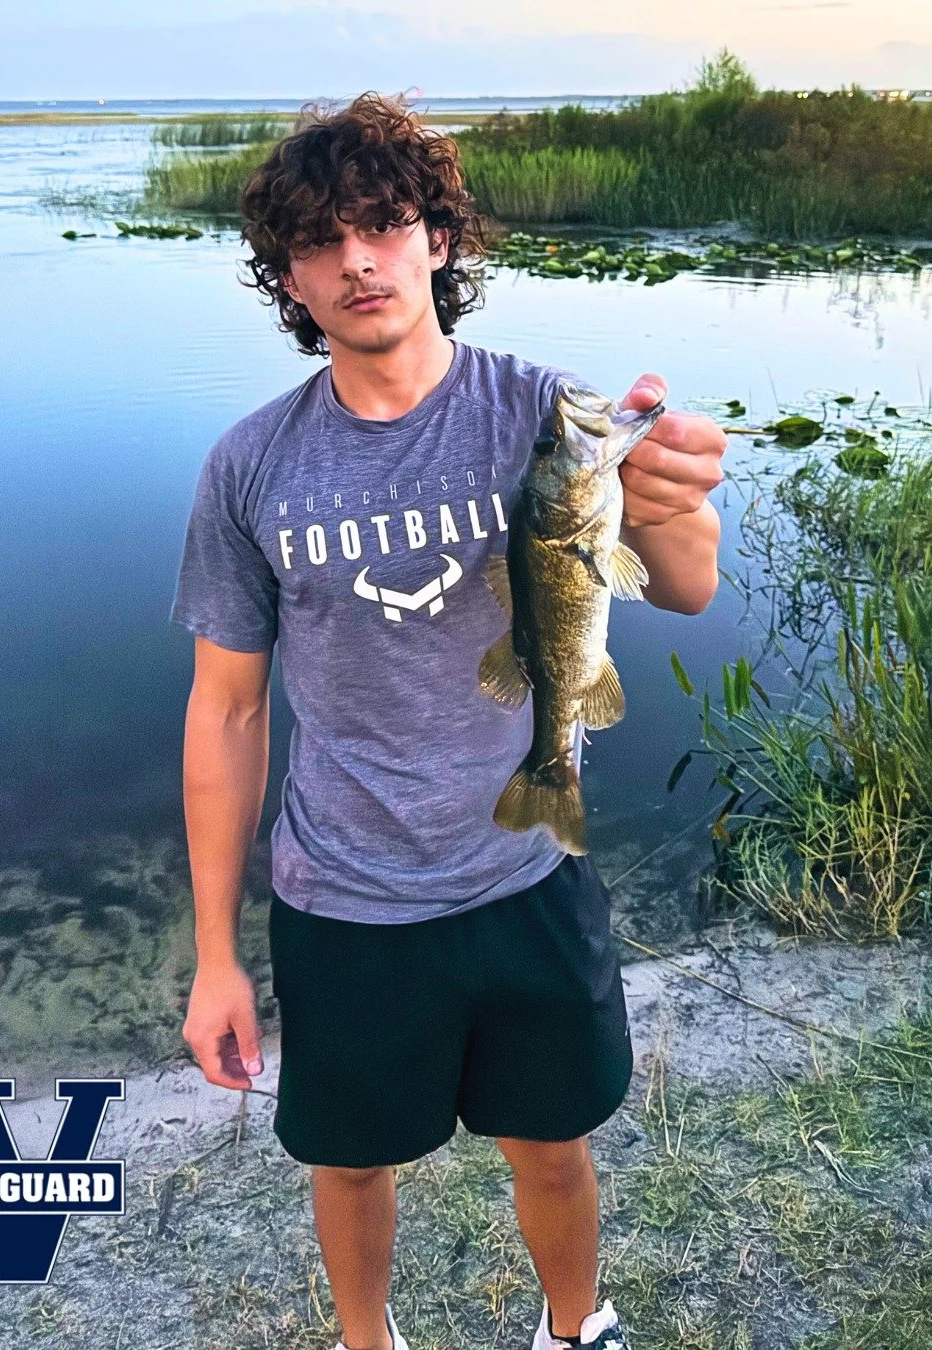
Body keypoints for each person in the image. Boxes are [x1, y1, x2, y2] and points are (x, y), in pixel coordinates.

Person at [170, 92, 725, 1350]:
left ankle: (574, 1327)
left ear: (436, 239)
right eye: (320, 241)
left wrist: (677, 493)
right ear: (289, 278)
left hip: (527, 872)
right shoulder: (250, 467)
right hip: (344, 898)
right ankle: (368, 1341)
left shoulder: (543, 412)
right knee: (350, 1161)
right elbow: (226, 711)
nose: (357, 260)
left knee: (553, 1143)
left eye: (382, 223)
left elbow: (688, 586)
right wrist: (215, 953)